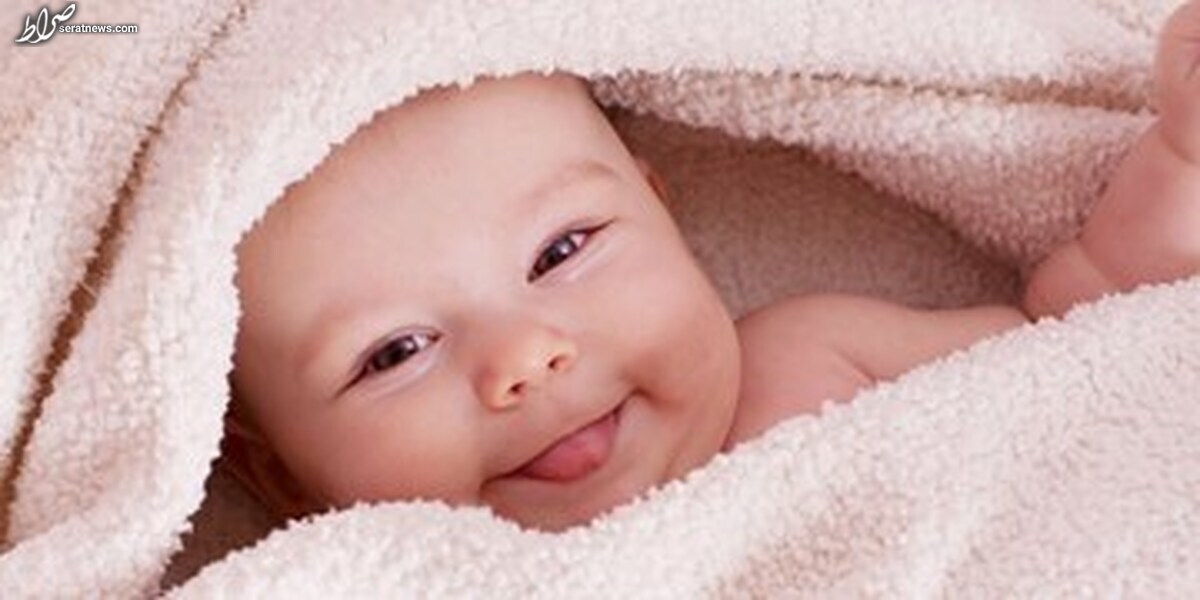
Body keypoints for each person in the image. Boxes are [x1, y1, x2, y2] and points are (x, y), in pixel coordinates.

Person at [226, 3, 1200, 533]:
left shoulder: (808, 370)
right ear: (285, 481)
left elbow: (1088, 339)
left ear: (661, 209)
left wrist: (1183, 158)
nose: (524, 357)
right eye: (394, 352)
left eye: (562, 251)